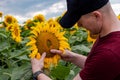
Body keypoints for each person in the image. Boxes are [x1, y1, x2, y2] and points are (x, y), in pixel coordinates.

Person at [31, 0, 120, 80]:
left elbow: (102, 62)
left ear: (96, 16)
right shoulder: (109, 38)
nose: (79, 26)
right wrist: (73, 57)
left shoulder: (108, 53)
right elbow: (99, 68)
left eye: (80, 22)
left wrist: (38, 72)